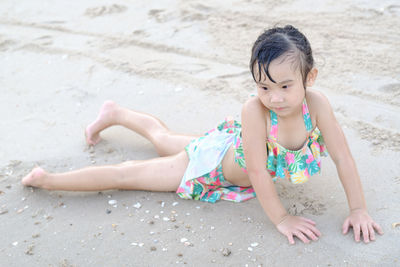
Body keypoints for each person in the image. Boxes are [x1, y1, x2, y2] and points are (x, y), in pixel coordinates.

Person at [22, 25, 383, 245]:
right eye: (264, 86)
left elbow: (342, 156)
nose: (274, 98)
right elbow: (258, 172)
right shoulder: (254, 111)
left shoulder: (317, 105)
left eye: (286, 86)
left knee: (163, 138)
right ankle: (49, 179)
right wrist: (282, 218)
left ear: (310, 78)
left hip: (224, 148)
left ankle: (114, 113)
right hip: (209, 166)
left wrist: (358, 209)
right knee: (128, 173)